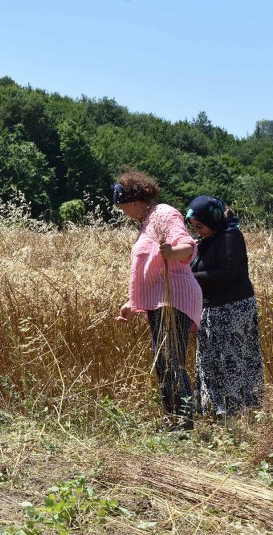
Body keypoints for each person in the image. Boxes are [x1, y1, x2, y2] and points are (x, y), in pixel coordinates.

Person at [113, 168, 203, 432]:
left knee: (169, 358)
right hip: (160, 298)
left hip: (175, 296)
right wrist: (133, 302)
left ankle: (184, 424)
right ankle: (173, 420)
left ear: (134, 200)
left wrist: (173, 251)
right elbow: (148, 268)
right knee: (163, 360)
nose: (122, 211)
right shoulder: (147, 222)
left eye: (122, 206)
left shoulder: (164, 213)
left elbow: (188, 245)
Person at [184, 195, 264, 418]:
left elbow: (227, 273)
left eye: (200, 226)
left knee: (230, 361)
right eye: (194, 227)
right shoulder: (208, 239)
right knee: (212, 361)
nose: (197, 230)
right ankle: (216, 412)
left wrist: (189, 275)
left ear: (214, 219)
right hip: (213, 310)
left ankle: (235, 415)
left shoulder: (230, 236)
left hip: (232, 309)